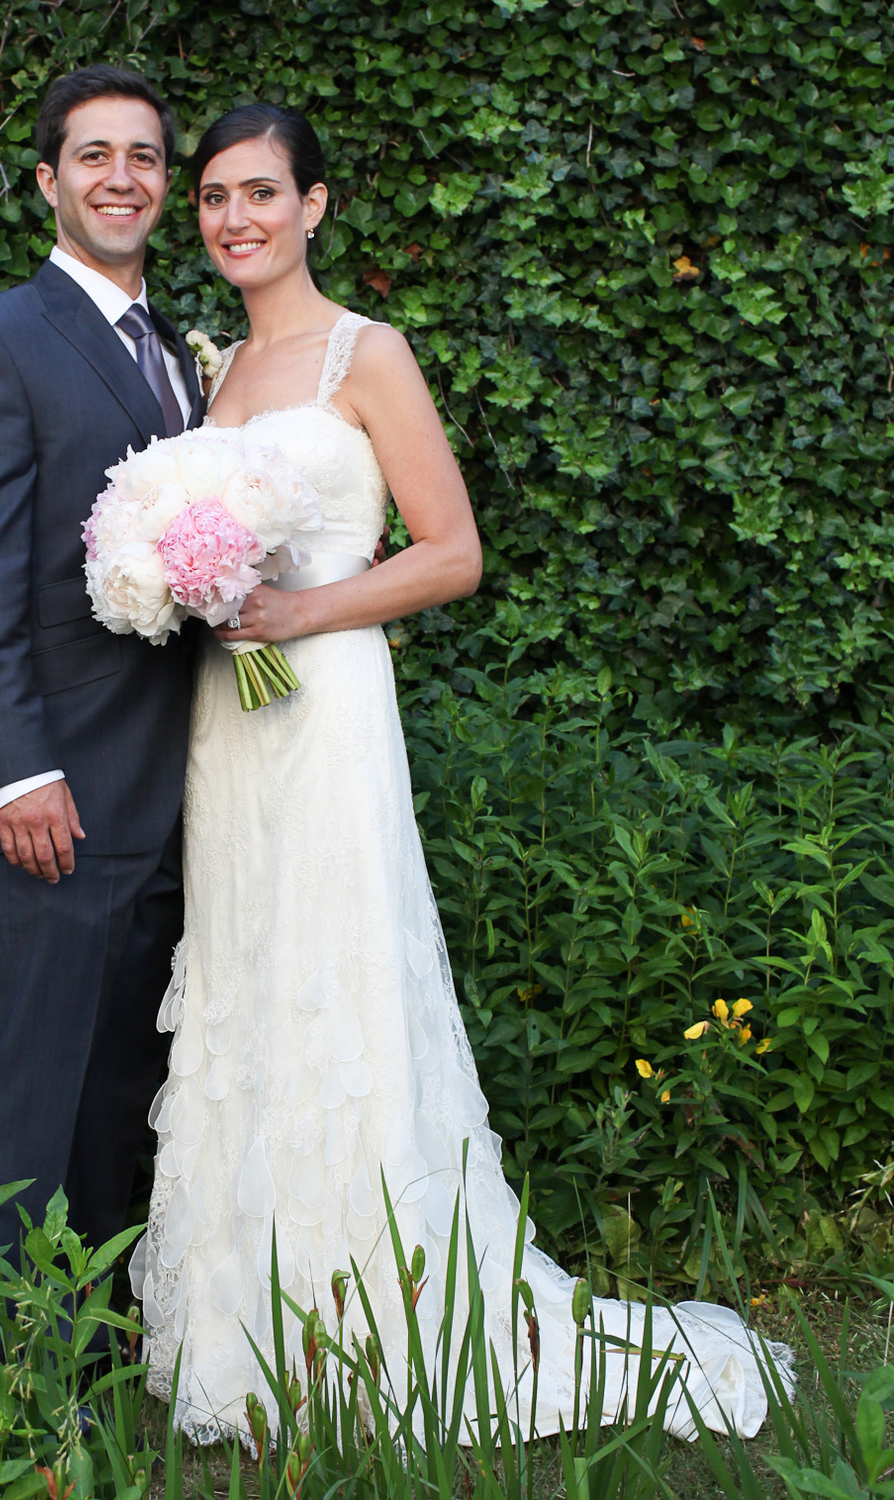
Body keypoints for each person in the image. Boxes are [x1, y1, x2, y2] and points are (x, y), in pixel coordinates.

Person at [129, 103, 794, 1442]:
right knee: (249, 981)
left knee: (340, 976)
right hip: (231, 721)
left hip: (324, 705)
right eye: (213, 197)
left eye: (261, 191)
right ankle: (256, 1328)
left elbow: (452, 552)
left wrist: (297, 615)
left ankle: (387, 1307)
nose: (234, 216)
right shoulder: (209, 376)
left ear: (314, 205)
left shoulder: (367, 358)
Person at [0, 65, 206, 1272]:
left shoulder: (186, 362)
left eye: (143, 158)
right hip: (57, 801)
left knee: (114, 1099)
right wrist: (18, 772)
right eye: (95, 156)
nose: (121, 178)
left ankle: (86, 1352)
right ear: (48, 181)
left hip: (172, 795)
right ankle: (0, 1384)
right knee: (33, 1106)